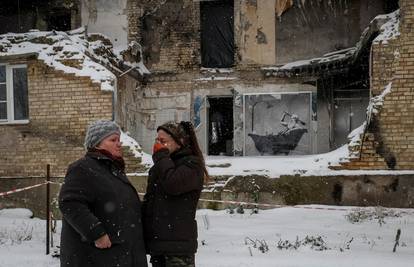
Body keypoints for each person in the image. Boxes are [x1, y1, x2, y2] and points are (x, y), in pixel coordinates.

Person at [59, 120, 148, 267]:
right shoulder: (83, 168)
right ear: (96, 144)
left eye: (119, 139)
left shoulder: (112, 170)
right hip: (97, 257)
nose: (119, 143)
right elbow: (69, 202)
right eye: (113, 140)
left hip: (119, 255)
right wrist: (96, 233)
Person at [143, 121, 208, 267]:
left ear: (180, 142)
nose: (157, 144)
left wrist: (161, 156)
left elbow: (172, 184)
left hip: (178, 248)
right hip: (158, 245)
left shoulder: (192, 165)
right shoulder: (160, 166)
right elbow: (151, 202)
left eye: (163, 141)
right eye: (156, 140)